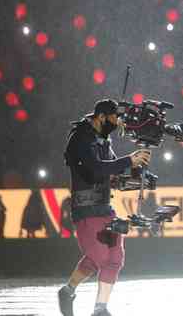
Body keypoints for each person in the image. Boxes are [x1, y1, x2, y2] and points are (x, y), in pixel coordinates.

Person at [57, 99, 151, 316]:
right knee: (99, 256)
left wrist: (130, 177)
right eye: (114, 117)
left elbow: (110, 170)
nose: (117, 122)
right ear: (101, 117)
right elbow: (95, 169)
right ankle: (68, 291)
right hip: (86, 208)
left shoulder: (103, 139)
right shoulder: (80, 138)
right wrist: (129, 160)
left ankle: (100, 308)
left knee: (115, 257)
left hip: (104, 206)